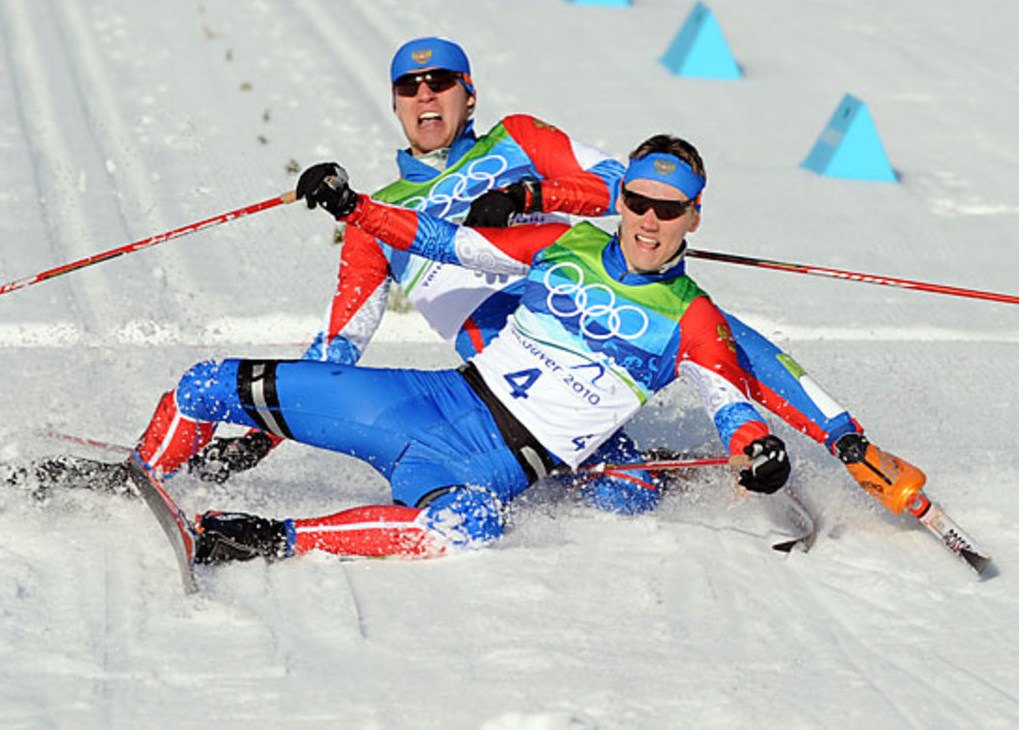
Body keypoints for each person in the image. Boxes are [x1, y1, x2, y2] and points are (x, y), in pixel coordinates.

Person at [198, 36, 885, 498]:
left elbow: (623, 190)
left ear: (470, 93)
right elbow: (338, 348)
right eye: (410, 87)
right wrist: (260, 440)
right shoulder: (378, 218)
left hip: (568, 276)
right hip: (502, 345)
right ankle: (645, 464)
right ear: (396, 103)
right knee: (625, 491)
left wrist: (532, 195)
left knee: (711, 327)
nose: (426, 96)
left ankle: (845, 440)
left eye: (442, 82)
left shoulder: (519, 138)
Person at [132, 135, 793, 564]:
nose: (651, 220)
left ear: (694, 216)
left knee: (467, 526)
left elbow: (731, 404)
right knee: (205, 385)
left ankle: (267, 539)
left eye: (669, 209)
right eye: (640, 201)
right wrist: (353, 207)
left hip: (488, 463)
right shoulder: (566, 246)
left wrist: (755, 449)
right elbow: (449, 244)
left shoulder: (695, 317)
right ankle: (135, 478)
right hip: (423, 403)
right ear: (621, 200)